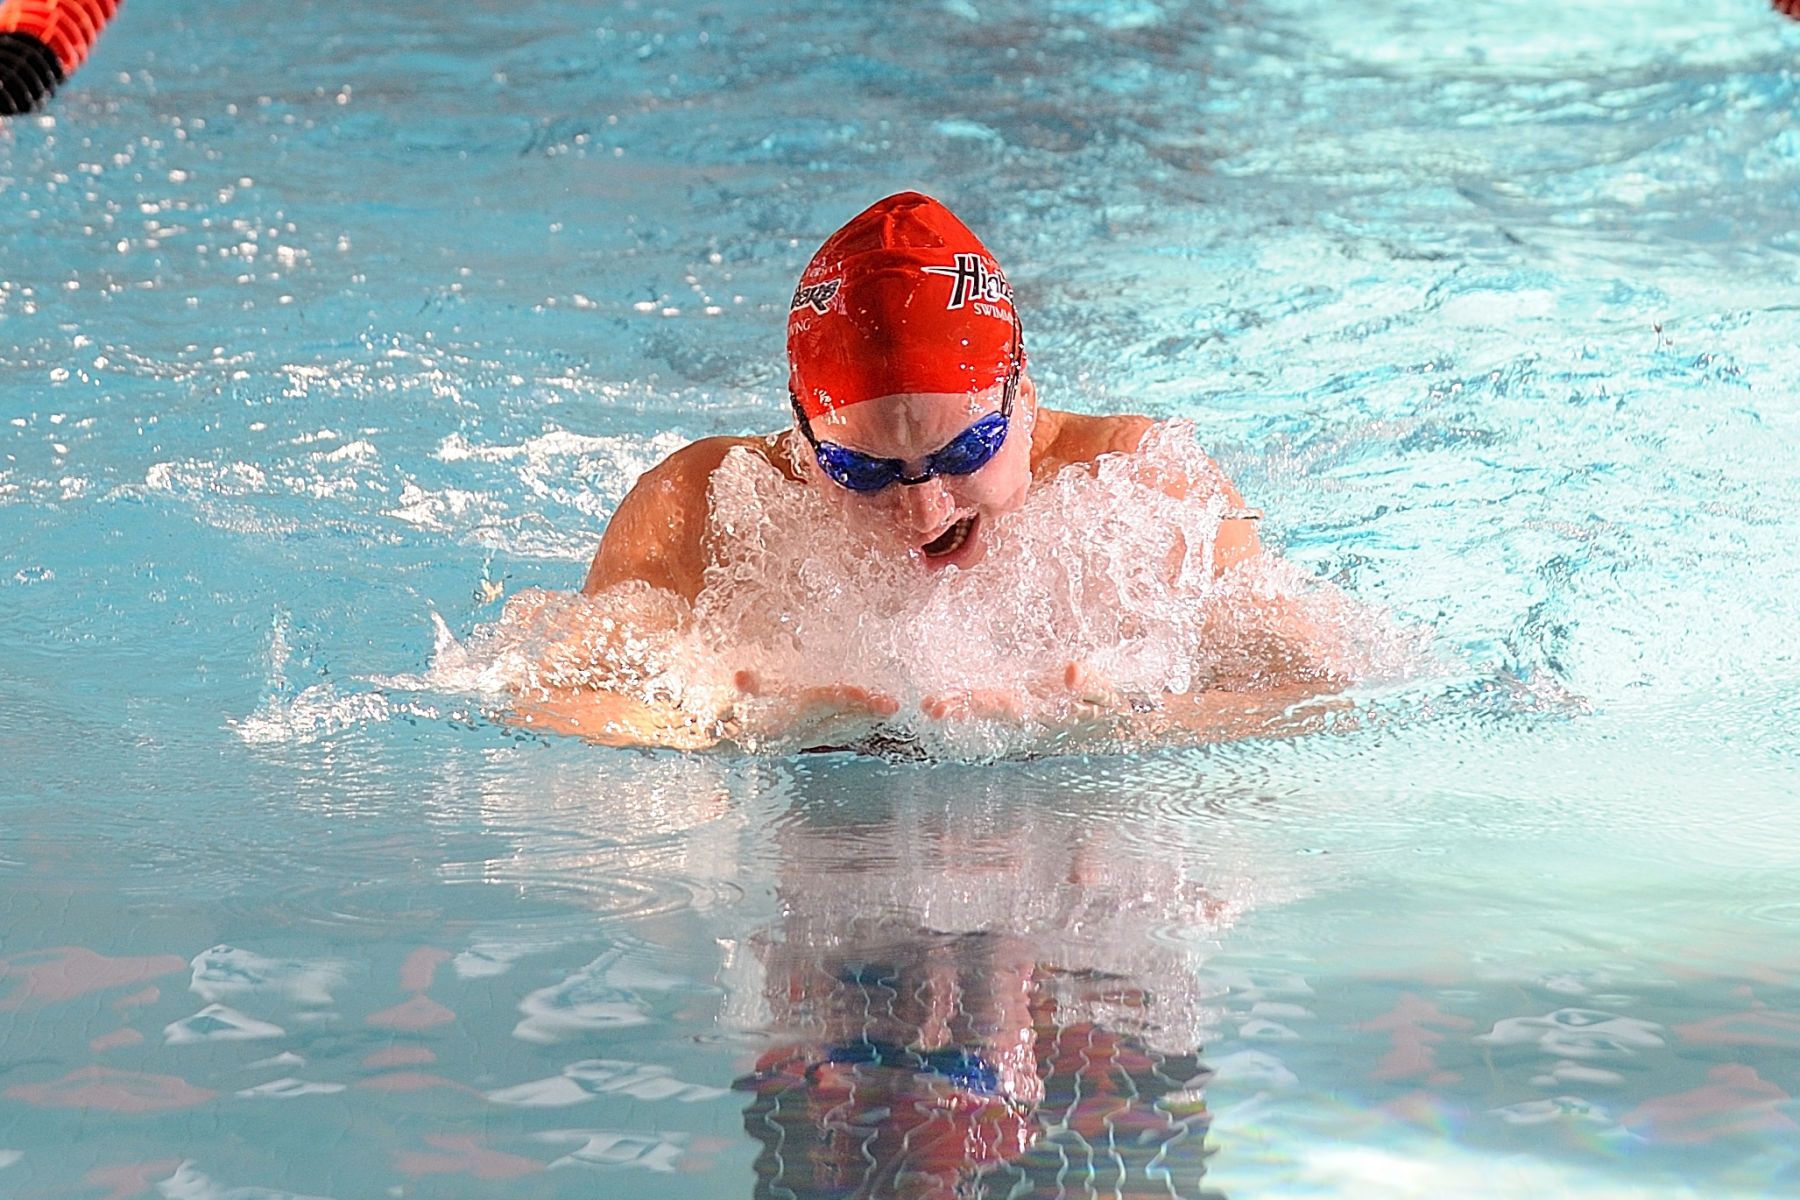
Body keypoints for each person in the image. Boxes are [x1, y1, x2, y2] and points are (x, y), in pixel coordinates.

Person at [503, 191, 1348, 750]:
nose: (923, 509)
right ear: (802, 432)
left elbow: (1325, 685)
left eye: (965, 451)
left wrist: (1126, 728)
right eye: (863, 470)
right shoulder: (702, 506)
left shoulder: (1142, 484)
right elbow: (538, 695)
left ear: (1022, 395)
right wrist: (712, 725)